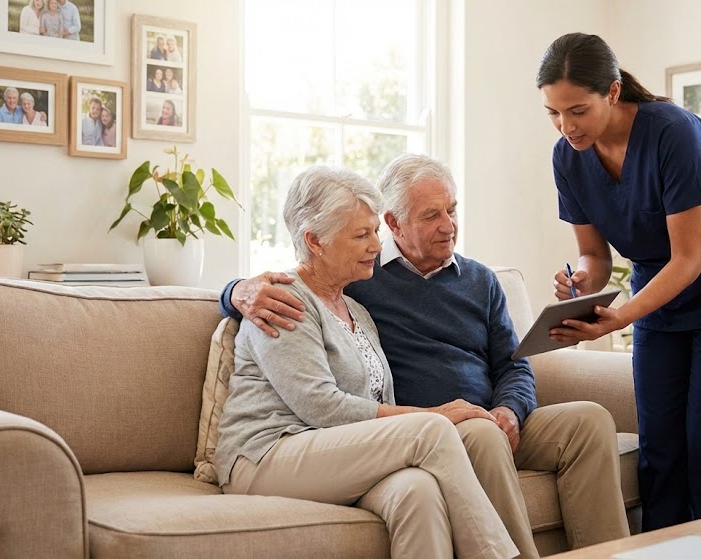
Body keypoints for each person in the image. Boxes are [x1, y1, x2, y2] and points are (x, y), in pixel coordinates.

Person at [221, 154, 630, 557]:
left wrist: (509, 409)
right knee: (452, 433)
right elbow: (317, 392)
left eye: (452, 210)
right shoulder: (344, 283)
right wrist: (235, 291)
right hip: (321, 441)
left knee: (584, 421)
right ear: (394, 223)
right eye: (431, 215)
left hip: (448, 424)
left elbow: (512, 364)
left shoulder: (364, 304)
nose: (448, 226)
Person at [536, 32, 701, 532]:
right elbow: (593, 254)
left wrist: (618, 319)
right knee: (661, 452)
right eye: (554, 114)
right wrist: (580, 283)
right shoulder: (568, 157)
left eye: (578, 110)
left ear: (611, 91)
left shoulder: (675, 132)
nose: (567, 127)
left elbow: (689, 259)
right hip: (660, 298)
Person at [215, 165, 519, 559]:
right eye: (361, 235)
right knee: (430, 430)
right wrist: (438, 414)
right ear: (315, 241)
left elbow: (376, 394)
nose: (377, 244)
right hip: (267, 454)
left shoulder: (357, 309)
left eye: (375, 231)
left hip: (331, 451)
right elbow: (321, 405)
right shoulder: (283, 300)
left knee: (418, 490)